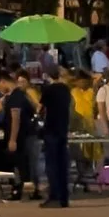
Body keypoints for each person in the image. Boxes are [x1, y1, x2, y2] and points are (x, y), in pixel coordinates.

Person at [39, 68, 73, 208]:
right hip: (63, 129)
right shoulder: (66, 90)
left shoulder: (48, 90)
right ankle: (64, 198)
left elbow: (41, 109)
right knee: (62, 165)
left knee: (52, 165)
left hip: (51, 130)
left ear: (48, 76)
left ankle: (54, 196)